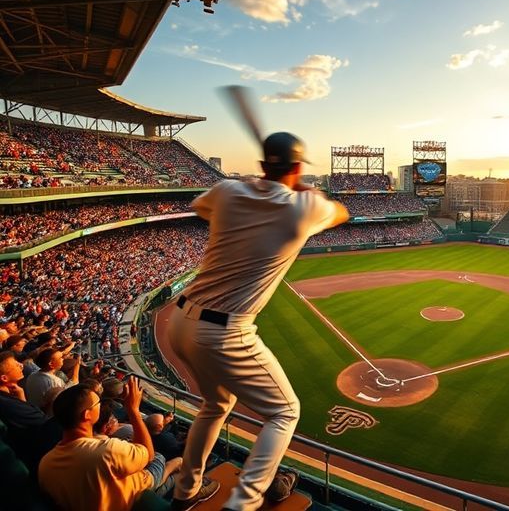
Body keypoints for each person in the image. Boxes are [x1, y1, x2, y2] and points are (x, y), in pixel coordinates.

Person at [168, 131, 349, 511]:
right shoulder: (305, 207)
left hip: (181, 322)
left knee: (216, 405)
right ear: (297, 168)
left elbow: (200, 207)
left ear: (263, 166)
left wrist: (252, 189)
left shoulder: (228, 191)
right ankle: (243, 504)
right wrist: (300, 188)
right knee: (284, 412)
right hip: (224, 330)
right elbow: (342, 212)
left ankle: (186, 491)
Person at [39, 377, 175, 511]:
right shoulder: (107, 451)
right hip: (137, 486)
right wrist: (133, 410)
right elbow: (148, 454)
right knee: (161, 458)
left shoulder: (45, 463)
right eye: (98, 402)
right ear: (87, 415)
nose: (101, 403)